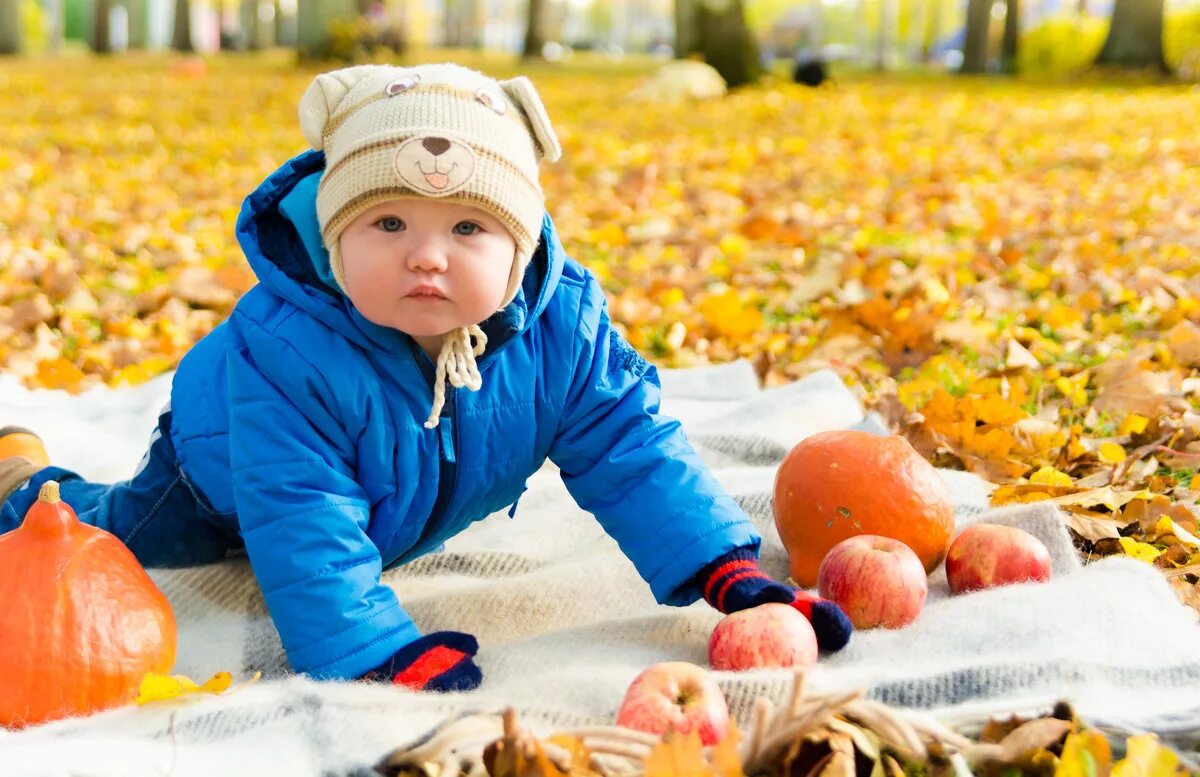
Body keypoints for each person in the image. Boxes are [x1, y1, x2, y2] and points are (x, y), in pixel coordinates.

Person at [0, 63, 851, 693]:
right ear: (335, 239)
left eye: (470, 225)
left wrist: (724, 569)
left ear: (520, 244)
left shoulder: (564, 329)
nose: (427, 256)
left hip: (386, 498)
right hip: (211, 477)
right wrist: (373, 650)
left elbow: (632, 449)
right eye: (390, 221)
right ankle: (23, 482)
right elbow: (300, 511)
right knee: (112, 545)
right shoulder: (286, 350)